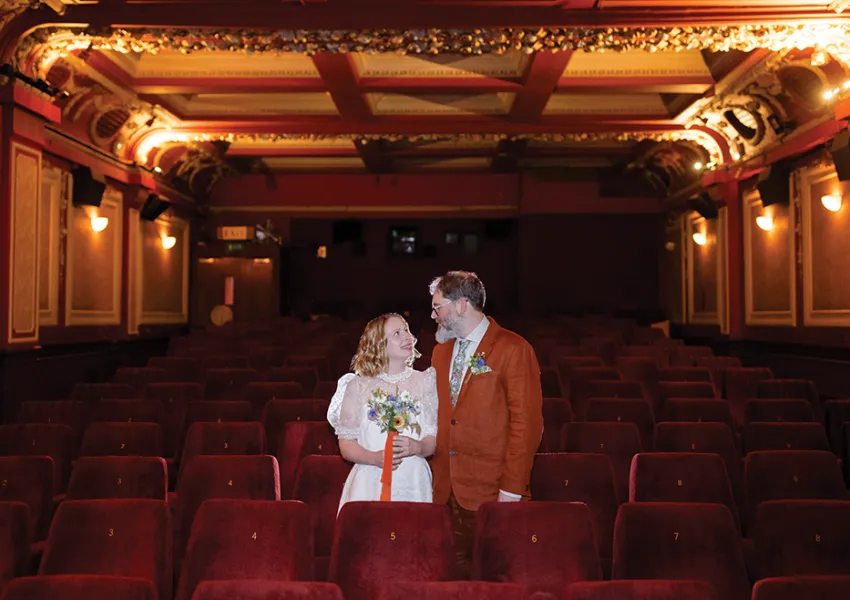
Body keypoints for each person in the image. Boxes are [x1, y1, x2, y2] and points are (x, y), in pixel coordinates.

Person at [422, 270, 543, 574]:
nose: (433, 314)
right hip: (444, 492)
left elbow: (526, 427)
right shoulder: (440, 352)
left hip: (492, 493)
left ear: (462, 305)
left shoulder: (513, 348)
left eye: (438, 307)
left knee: (494, 581)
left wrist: (512, 491)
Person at [327, 313, 438, 511]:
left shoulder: (425, 381)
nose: (407, 336)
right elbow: (346, 444)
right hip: (370, 478)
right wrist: (374, 458)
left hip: (413, 479)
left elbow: (432, 438)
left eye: (406, 330)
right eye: (397, 333)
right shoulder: (357, 386)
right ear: (379, 345)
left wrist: (418, 447)